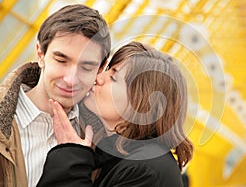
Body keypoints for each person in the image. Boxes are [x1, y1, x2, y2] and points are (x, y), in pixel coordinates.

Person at [37, 41, 194, 187]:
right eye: (106, 70)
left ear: (142, 104)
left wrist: (69, 156)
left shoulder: (147, 171)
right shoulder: (118, 158)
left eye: (113, 77)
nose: (98, 78)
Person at [0, 4, 111, 187]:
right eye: (61, 60)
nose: (70, 79)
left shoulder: (105, 141)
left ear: (100, 69)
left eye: (86, 67)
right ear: (40, 54)